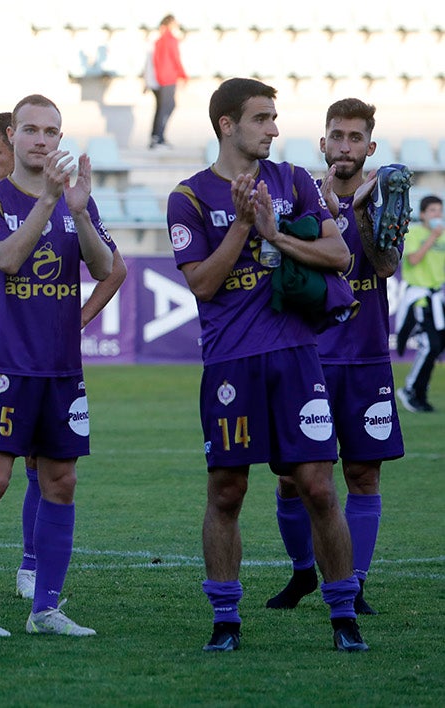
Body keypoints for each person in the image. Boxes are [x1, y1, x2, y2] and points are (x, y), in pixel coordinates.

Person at [167, 77, 366, 653]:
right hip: (230, 361)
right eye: (262, 119)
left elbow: (340, 254)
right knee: (227, 491)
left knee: (318, 488)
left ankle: (344, 616)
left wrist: (276, 233)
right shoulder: (191, 196)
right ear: (227, 125)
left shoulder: (294, 180)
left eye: (275, 118)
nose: (275, 129)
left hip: (297, 357)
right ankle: (226, 621)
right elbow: (202, 283)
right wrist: (243, 225)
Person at [0, 112, 128, 603]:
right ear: (17, 135)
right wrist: (41, 202)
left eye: (50, 131)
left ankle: (41, 593)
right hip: (0, 356)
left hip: (58, 364)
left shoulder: (76, 200)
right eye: (31, 130)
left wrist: (73, 211)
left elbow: (107, 268)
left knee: (58, 474)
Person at [267, 98, 403, 616]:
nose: (344, 146)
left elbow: (386, 266)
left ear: (370, 147)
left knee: (363, 476)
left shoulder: (385, 199)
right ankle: (304, 571)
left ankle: (356, 582)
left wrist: (365, 213)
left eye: (355, 138)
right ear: (322, 143)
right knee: (291, 477)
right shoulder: (299, 196)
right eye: (336, 136)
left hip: (366, 358)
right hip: (309, 356)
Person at [395, 195, 445, 412]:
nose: (437, 215)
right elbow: (413, 259)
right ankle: (410, 389)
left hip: (437, 298)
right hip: (419, 298)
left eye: (439, 211)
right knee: (429, 345)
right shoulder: (415, 232)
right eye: (432, 210)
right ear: (423, 213)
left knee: (437, 346)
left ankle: (420, 393)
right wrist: (432, 238)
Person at [149, 14, 187, 149]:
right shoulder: (170, 40)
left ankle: (157, 136)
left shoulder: (159, 40)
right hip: (168, 77)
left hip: (160, 78)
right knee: (166, 107)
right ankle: (158, 138)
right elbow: (175, 58)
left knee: (162, 108)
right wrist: (183, 75)